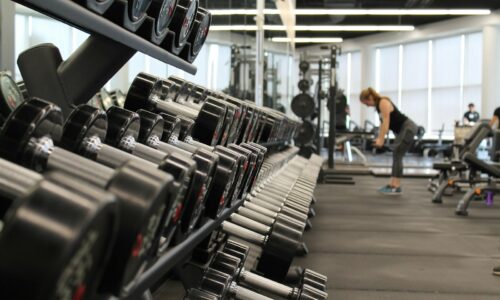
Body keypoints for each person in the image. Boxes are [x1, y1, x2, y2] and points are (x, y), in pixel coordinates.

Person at [360, 87, 418, 195]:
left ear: (369, 98)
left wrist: (381, 140)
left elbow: (386, 123)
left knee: (398, 154)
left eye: (366, 103)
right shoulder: (379, 106)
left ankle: (396, 186)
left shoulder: (383, 102)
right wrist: (379, 138)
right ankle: (392, 184)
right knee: (396, 154)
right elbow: (383, 124)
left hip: (408, 128)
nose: (367, 106)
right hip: (402, 130)